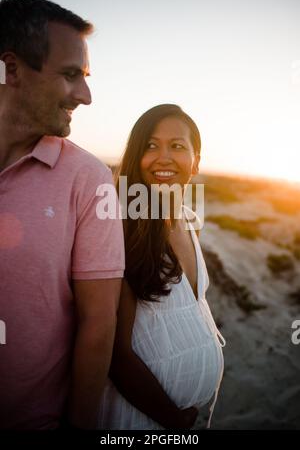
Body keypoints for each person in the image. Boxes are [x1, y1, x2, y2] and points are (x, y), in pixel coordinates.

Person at [0, 0, 125, 430]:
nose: (86, 96)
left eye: (85, 77)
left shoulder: (89, 179)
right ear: (11, 69)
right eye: (71, 75)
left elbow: (98, 326)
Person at [98, 104, 226, 430]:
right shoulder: (124, 228)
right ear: (136, 156)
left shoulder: (188, 221)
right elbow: (116, 355)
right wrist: (174, 420)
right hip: (141, 419)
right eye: (151, 146)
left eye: (178, 146)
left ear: (196, 161)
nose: (163, 157)